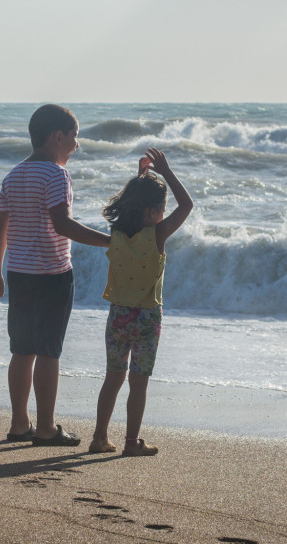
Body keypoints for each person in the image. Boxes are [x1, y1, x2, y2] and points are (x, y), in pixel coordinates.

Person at [0, 104, 110, 447]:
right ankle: (45, 427)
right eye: (74, 136)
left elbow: (0, 229)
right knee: (49, 351)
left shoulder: (13, 175)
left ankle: (18, 423)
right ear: (58, 136)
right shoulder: (56, 175)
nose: (76, 145)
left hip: (20, 274)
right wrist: (109, 241)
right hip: (53, 275)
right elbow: (63, 224)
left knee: (22, 349)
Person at [89, 147, 193, 456]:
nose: (164, 211)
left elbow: (137, 206)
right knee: (138, 383)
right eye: (161, 207)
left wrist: (142, 179)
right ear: (153, 212)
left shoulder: (118, 233)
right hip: (147, 319)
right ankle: (131, 443)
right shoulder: (157, 234)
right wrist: (166, 171)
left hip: (118, 315)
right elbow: (187, 205)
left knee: (113, 378)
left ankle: (99, 437)